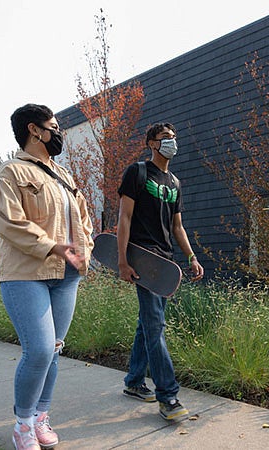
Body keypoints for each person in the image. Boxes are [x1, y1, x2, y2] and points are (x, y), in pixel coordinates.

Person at [0, 103, 94, 450]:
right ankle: (22, 424)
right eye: (54, 126)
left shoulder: (64, 176)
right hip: (26, 274)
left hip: (66, 276)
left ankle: (40, 417)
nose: (58, 132)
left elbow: (84, 220)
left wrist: (84, 252)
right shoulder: (11, 172)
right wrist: (52, 247)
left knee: (54, 351)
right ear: (34, 130)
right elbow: (10, 224)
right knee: (39, 350)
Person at [116, 122, 204, 421]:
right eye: (166, 138)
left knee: (148, 323)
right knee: (156, 327)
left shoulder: (175, 183)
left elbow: (177, 226)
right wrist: (122, 260)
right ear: (152, 143)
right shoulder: (137, 172)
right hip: (143, 257)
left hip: (165, 261)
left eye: (174, 137)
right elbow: (124, 218)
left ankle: (133, 381)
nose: (172, 142)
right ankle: (168, 396)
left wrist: (191, 257)